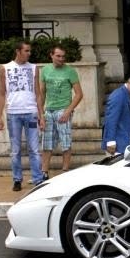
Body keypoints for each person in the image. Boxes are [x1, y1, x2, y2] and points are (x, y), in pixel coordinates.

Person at [0, 40, 45, 191]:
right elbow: (1, 93)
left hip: (31, 113)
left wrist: (41, 115)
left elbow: (38, 93)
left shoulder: (34, 68)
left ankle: (38, 179)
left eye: (30, 51)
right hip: (13, 114)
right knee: (15, 150)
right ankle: (17, 179)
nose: (29, 53)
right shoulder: (5, 68)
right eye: (27, 51)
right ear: (18, 51)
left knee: (34, 149)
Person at [40, 45, 84, 180]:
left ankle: (65, 171)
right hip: (49, 110)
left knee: (65, 142)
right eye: (58, 56)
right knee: (46, 143)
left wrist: (68, 111)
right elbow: (42, 92)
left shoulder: (70, 71)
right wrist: (40, 113)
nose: (61, 59)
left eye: (63, 56)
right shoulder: (45, 70)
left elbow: (79, 94)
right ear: (51, 55)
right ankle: (44, 173)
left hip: (63, 110)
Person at [102, 73, 130, 155]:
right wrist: (110, 141)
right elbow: (111, 120)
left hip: (125, 143)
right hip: (117, 146)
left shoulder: (127, 95)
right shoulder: (118, 96)